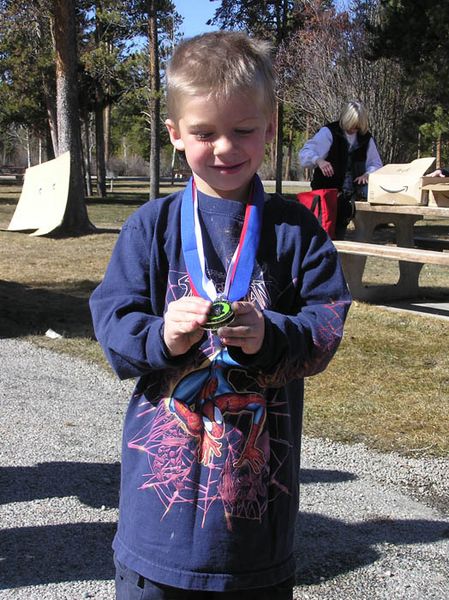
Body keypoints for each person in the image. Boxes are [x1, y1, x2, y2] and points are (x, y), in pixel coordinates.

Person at [90, 31, 351, 600]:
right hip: (157, 528)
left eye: (244, 130)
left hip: (255, 531)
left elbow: (327, 324)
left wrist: (271, 333)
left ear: (272, 127)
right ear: (176, 135)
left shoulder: (296, 231)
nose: (226, 148)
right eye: (205, 132)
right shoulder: (150, 228)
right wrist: (161, 336)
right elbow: (112, 325)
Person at [299, 100, 383, 239]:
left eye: (357, 126)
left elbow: (375, 163)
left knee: (340, 235)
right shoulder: (329, 132)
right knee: (321, 234)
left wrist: (367, 174)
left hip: (350, 197)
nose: (354, 129)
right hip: (326, 196)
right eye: (352, 125)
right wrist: (319, 161)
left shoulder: (366, 138)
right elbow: (305, 153)